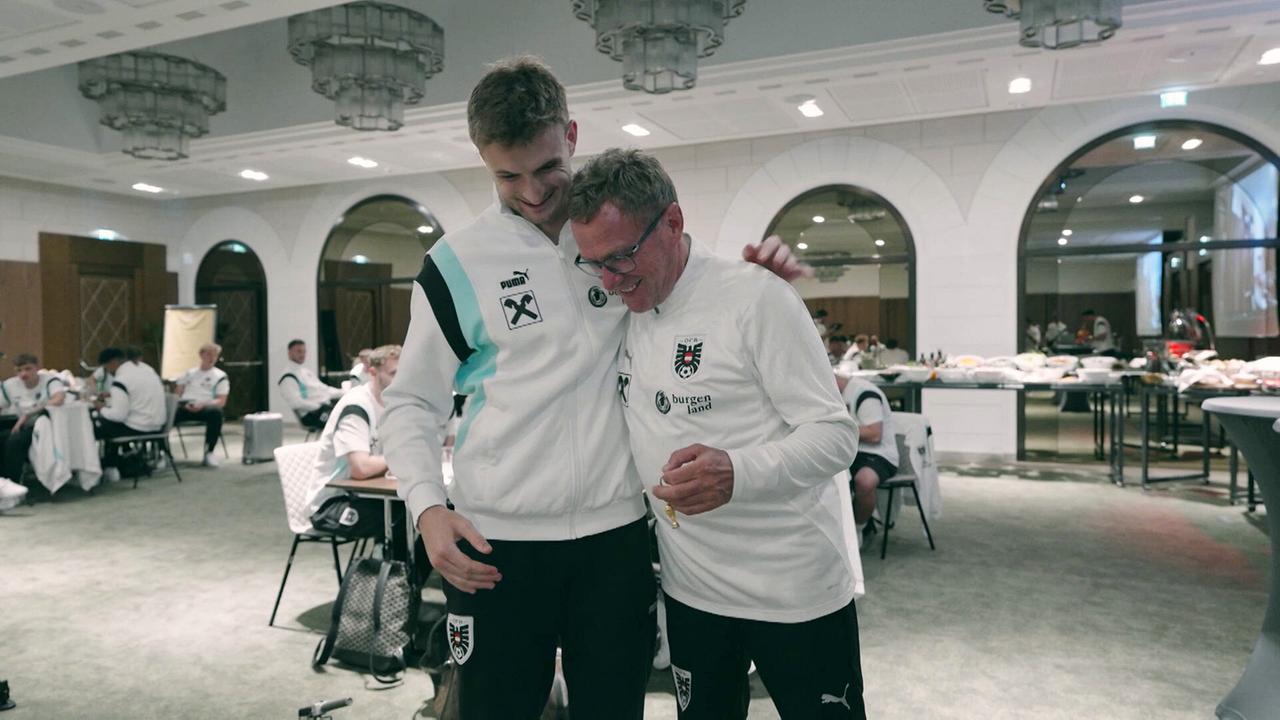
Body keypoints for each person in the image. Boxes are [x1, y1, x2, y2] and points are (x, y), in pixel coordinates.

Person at [380, 57, 806, 720]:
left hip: (614, 541)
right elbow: (411, 401)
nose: (532, 191)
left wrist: (754, 283)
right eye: (507, 175)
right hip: (498, 545)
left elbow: (693, 289)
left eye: (547, 168)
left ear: (571, 135)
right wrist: (427, 509)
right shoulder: (456, 265)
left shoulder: (615, 234)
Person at [570, 148, 864, 719]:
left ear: (673, 223)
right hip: (692, 595)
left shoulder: (755, 298)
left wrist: (739, 471)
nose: (608, 279)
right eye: (594, 262)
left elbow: (835, 435)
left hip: (792, 591)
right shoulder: (620, 309)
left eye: (623, 255)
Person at [308, 345, 423, 566]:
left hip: (369, 496)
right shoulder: (357, 407)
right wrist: (398, 456)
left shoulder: (392, 404)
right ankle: (398, 586)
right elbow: (360, 469)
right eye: (393, 374)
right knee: (405, 517)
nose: (400, 381)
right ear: (372, 372)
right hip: (332, 503)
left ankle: (403, 584)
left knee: (427, 510)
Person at [836, 374, 899, 541]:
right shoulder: (835, 395)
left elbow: (874, 434)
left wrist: (838, 430)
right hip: (851, 452)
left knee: (864, 481)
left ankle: (857, 530)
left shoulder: (865, 393)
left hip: (879, 454)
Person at [93, 347, 166, 482]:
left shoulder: (121, 381)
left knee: (97, 426)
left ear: (113, 363)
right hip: (158, 426)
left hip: (138, 428)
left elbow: (118, 415)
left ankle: (106, 468)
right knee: (111, 423)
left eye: (106, 368)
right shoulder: (147, 369)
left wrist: (100, 408)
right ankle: (116, 464)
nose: (108, 372)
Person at [0, 353, 67, 486]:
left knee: (14, 441)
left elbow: (59, 398)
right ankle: (3, 483)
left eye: (27, 369)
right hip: (22, 426)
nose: (23, 374)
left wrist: (29, 414)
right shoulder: (10, 385)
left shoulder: (50, 380)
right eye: (19, 370)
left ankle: (14, 482)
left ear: (37, 368)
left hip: (46, 426)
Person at [174, 342, 229, 467]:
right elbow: (177, 394)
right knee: (165, 414)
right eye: (209, 354)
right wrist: (182, 403)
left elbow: (221, 401)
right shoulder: (189, 373)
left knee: (216, 414)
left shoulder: (220, 376)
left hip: (205, 407)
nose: (211, 358)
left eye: (215, 355)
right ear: (201, 355)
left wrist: (203, 404)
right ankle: (163, 454)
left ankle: (209, 452)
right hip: (186, 406)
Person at [278, 339, 342, 428]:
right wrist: (319, 407)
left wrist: (345, 392)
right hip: (312, 415)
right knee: (345, 421)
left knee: (351, 414)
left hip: (324, 409)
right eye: (299, 351)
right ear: (289, 353)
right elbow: (296, 403)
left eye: (304, 351)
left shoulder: (306, 372)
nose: (302, 355)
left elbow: (325, 390)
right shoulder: (288, 377)